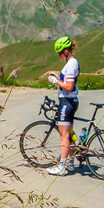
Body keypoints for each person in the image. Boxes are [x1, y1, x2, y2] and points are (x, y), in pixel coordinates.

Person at [43, 36, 79, 175]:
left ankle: (62, 167)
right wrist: (58, 77)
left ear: (65, 51)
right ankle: (70, 163)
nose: (59, 56)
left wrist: (54, 81)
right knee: (68, 136)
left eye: (59, 53)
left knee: (64, 136)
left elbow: (69, 87)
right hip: (69, 101)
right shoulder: (71, 63)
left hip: (67, 103)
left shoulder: (71, 64)